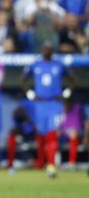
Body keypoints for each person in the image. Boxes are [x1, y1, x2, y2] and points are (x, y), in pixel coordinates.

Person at [22, 43, 77, 178]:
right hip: (40, 103)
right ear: (41, 50)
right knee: (42, 134)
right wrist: (29, 93)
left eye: (49, 48)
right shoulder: (35, 64)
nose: (46, 50)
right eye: (44, 48)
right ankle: (42, 162)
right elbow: (23, 79)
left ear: (53, 51)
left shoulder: (59, 64)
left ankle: (51, 165)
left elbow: (73, 79)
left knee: (52, 133)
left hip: (54, 103)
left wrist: (66, 93)